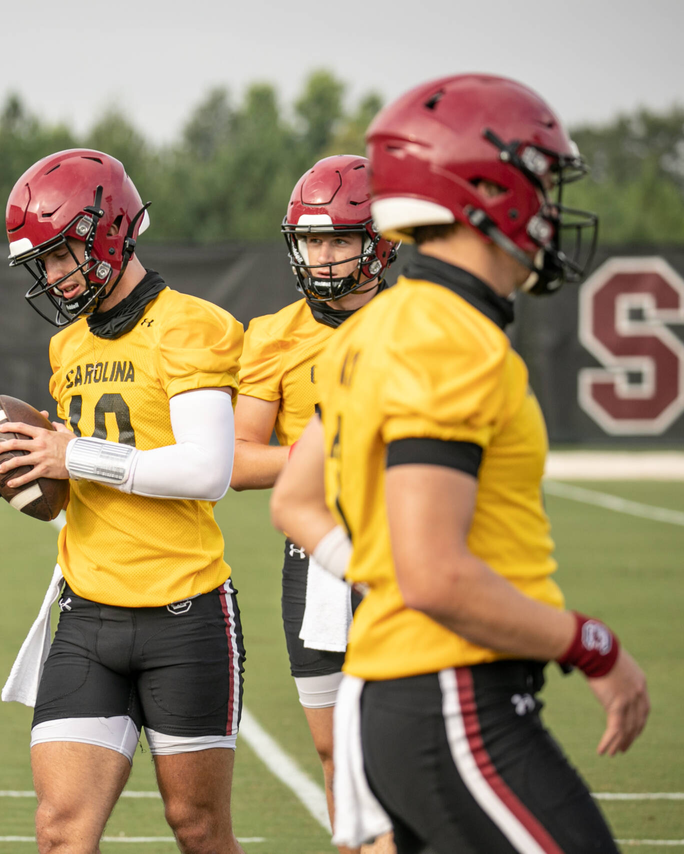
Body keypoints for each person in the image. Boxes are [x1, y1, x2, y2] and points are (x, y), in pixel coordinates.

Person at [271, 73, 649, 854]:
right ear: (487, 191)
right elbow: (436, 575)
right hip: (452, 688)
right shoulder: (446, 334)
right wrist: (590, 644)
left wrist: (376, 569)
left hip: (402, 688)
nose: (548, 206)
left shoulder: (381, 327)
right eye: (538, 182)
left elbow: (295, 502)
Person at [0, 149, 248, 854]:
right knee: (62, 828)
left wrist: (72, 454)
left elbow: (207, 471)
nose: (54, 275)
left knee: (199, 826)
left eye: (62, 254)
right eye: (45, 262)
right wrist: (29, 471)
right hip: (88, 612)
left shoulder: (194, 326)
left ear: (109, 231)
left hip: (183, 613)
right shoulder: (68, 346)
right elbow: (85, 494)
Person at [230, 154, 395, 854]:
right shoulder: (273, 334)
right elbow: (238, 459)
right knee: (333, 753)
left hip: (407, 552)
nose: (322, 257)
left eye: (338, 240)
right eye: (311, 241)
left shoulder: (418, 323)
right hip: (318, 562)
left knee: (404, 749)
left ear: (378, 243)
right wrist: (332, 458)